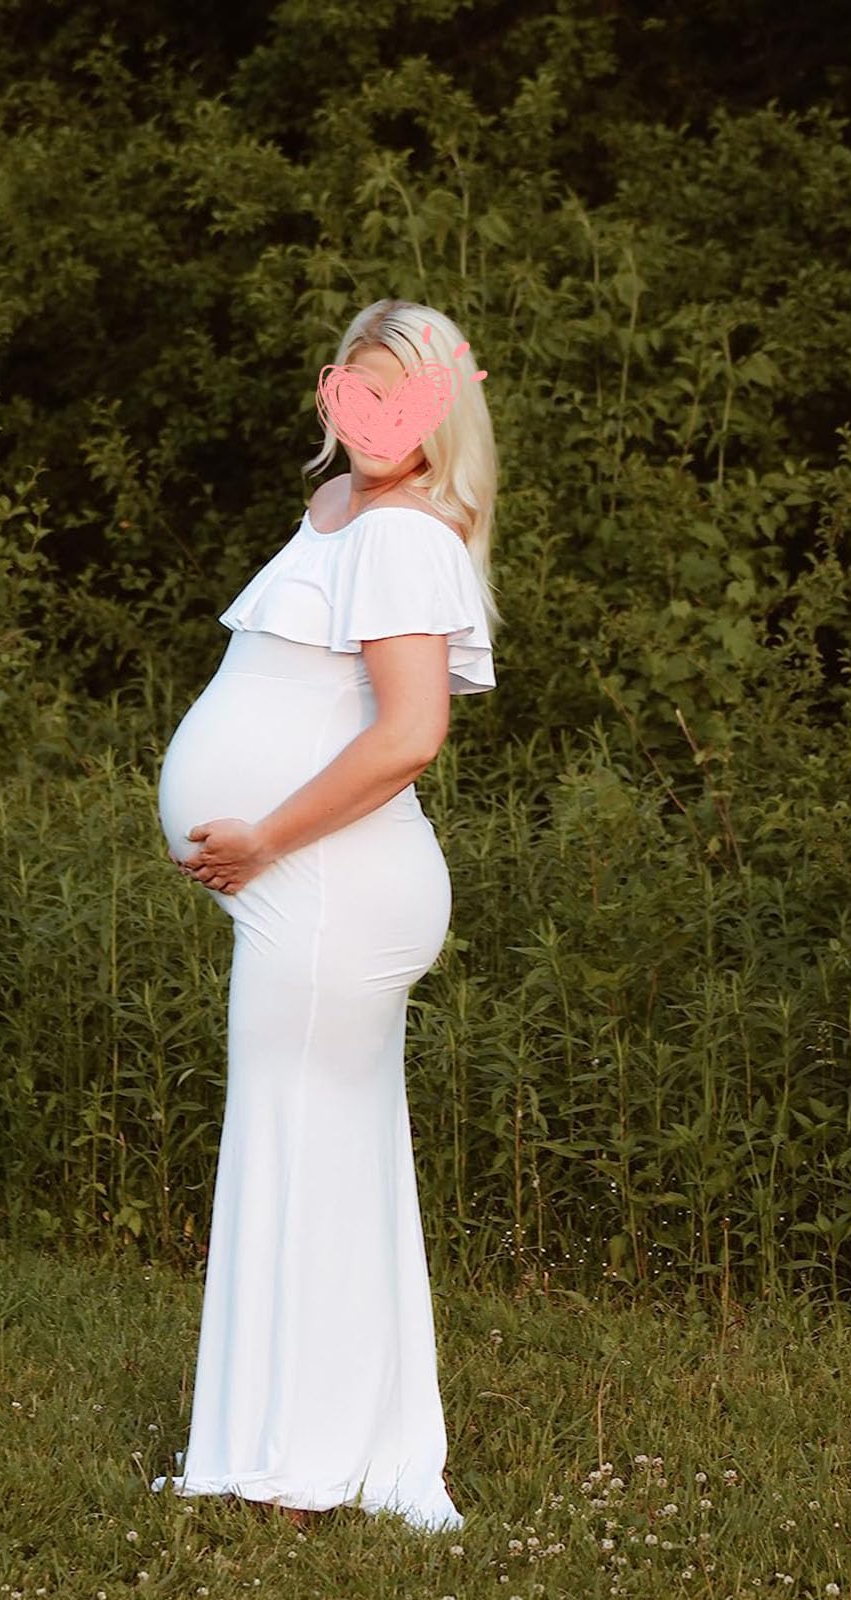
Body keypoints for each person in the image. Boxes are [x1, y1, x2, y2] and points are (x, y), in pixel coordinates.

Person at [151, 297, 501, 1534]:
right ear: (326, 391)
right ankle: (293, 1446)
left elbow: (411, 735)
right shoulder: (337, 512)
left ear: (440, 410)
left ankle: (306, 1464)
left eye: (403, 399)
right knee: (307, 1157)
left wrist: (261, 838)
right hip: (310, 887)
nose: (375, 418)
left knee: (308, 1158)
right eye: (358, 392)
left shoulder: (405, 535)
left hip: (332, 884)